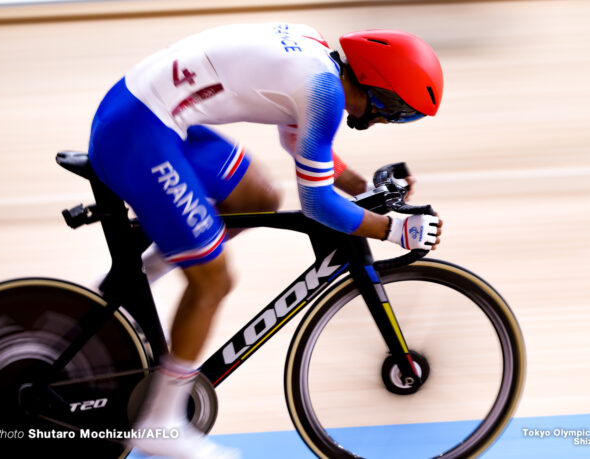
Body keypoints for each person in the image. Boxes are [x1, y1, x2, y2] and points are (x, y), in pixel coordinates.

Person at [88, 23, 444, 459]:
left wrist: (365, 187)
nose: (392, 121)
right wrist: (392, 229)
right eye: (400, 112)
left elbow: (302, 139)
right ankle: (160, 423)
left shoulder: (318, 60)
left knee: (256, 198)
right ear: (380, 92)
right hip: (139, 132)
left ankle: (133, 282)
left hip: (146, 113)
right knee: (213, 281)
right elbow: (316, 203)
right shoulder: (326, 95)